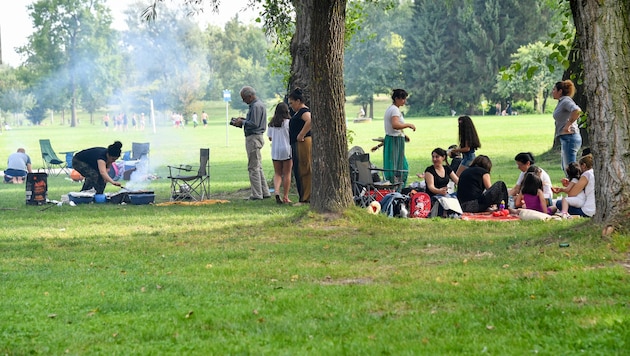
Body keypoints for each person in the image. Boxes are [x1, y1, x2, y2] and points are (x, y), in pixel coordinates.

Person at [232, 86, 271, 201]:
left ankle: (256, 194)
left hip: (253, 138)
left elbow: (254, 123)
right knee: (258, 166)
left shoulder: (255, 106)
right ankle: (265, 191)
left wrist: (242, 122)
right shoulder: (259, 105)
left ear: (250, 96)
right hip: (257, 137)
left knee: (253, 167)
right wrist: (244, 120)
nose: (244, 101)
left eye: (244, 98)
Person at [383, 88, 416, 186]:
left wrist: (404, 134)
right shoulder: (394, 110)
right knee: (399, 168)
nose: (404, 101)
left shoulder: (392, 109)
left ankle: (397, 187)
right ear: (396, 99)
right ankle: (397, 188)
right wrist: (408, 125)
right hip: (395, 140)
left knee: (397, 166)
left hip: (395, 138)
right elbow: (395, 125)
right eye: (402, 99)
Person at [552, 79, 582, 173]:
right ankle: (570, 186)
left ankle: (576, 186)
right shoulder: (562, 102)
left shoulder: (565, 101)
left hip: (570, 137)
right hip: (566, 138)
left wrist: (568, 125)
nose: (552, 92)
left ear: (560, 91)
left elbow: (577, 110)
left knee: (570, 169)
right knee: (566, 167)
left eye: (554, 89)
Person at [288, 88, 312, 204]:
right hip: (297, 144)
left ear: (298, 101)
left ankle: (306, 198)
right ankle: (303, 196)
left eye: (292, 103)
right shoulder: (297, 112)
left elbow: (310, 120)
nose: (291, 106)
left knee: (305, 169)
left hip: (303, 143)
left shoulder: (304, 112)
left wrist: (301, 134)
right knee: (299, 169)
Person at [268, 102, 293, 204]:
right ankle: (286, 196)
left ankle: (277, 191)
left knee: (277, 173)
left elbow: (270, 138)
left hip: (275, 150)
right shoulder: (288, 123)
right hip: (286, 149)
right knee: (287, 173)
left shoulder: (272, 124)